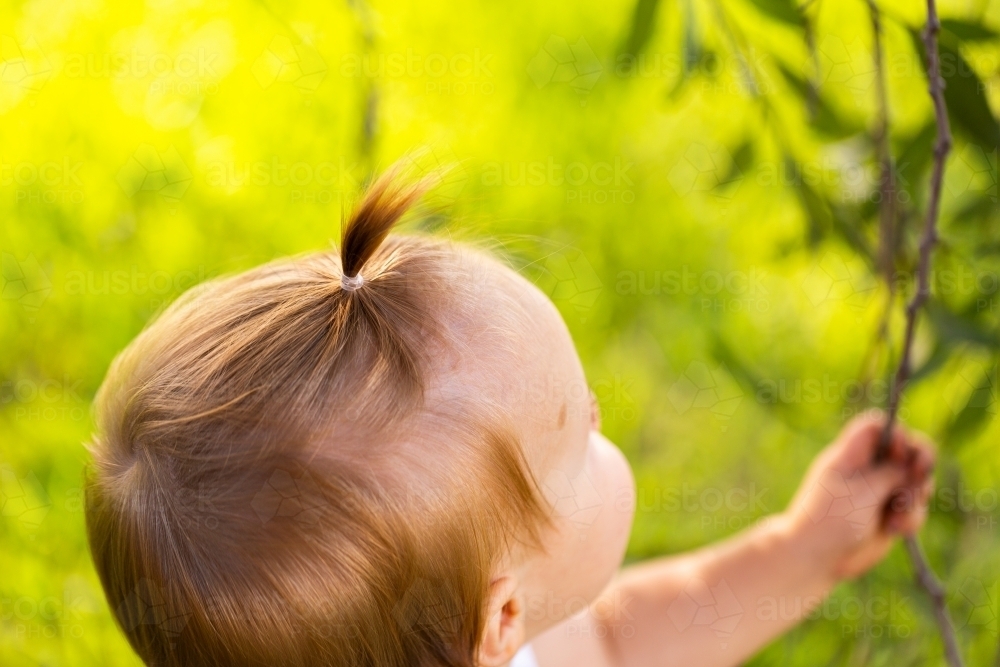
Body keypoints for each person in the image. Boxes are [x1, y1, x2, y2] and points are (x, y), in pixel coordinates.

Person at [85, 163, 935, 667]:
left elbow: (623, 641)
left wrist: (805, 545)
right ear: (499, 622)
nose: (602, 411)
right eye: (581, 437)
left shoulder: (485, 640)